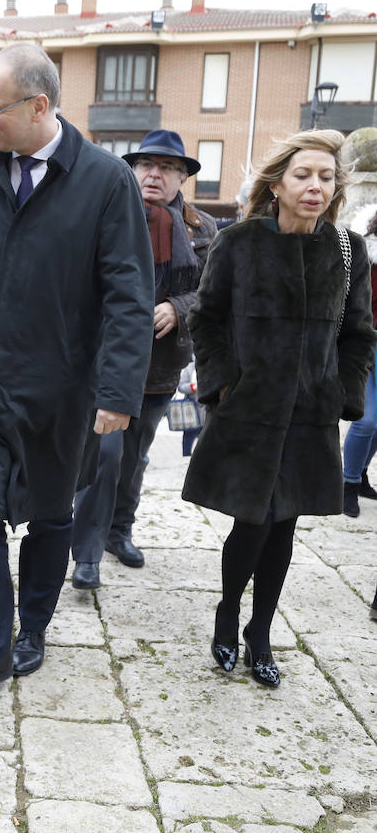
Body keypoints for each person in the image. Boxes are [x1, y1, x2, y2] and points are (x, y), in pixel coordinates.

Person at [0, 43, 154, 708]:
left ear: (39, 106)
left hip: (62, 394)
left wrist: (117, 393)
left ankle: (35, 628)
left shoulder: (106, 182)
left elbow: (128, 295)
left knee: (52, 519)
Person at [182, 129, 376, 688]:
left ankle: (259, 630)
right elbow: (206, 317)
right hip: (247, 410)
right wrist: (223, 387)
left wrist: (341, 394)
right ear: (278, 184)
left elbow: (359, 334)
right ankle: (227, 612)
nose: (315, 186)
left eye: (325, 176)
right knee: (251, 521)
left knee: (283, 523)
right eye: (303, 175)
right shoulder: (239, 242)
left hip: (309, 415)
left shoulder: (346, 250)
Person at [70, 130, 215, 590]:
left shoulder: (201, 229)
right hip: (107, 364)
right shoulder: (105, 215)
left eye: (168, 167)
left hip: (160, 366)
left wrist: (178, 307)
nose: (155, 174)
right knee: (104, 456)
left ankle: (119, 530)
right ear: (132, 172)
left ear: (182, 178)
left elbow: (211, 292)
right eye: (147, 165)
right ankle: (86, 553)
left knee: (134, 457)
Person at [340, 208, 377, 517]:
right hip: (370, 342)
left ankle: (361, 473)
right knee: (366, 420)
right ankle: (347, 484)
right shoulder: (366, 253)